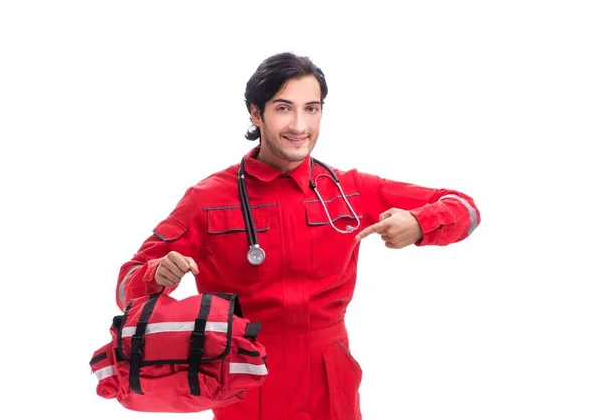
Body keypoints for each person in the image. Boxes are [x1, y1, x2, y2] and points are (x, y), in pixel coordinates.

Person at [115, 52, 481, 420]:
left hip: (330, 378)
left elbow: (464, 208)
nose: (299, 125)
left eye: (311, 108)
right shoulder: (208, 199)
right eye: (283, 108)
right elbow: (126, 285)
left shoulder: (348, 190)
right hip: (246, 378)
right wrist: (155, 274)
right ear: (256, 114)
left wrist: (421, 222)